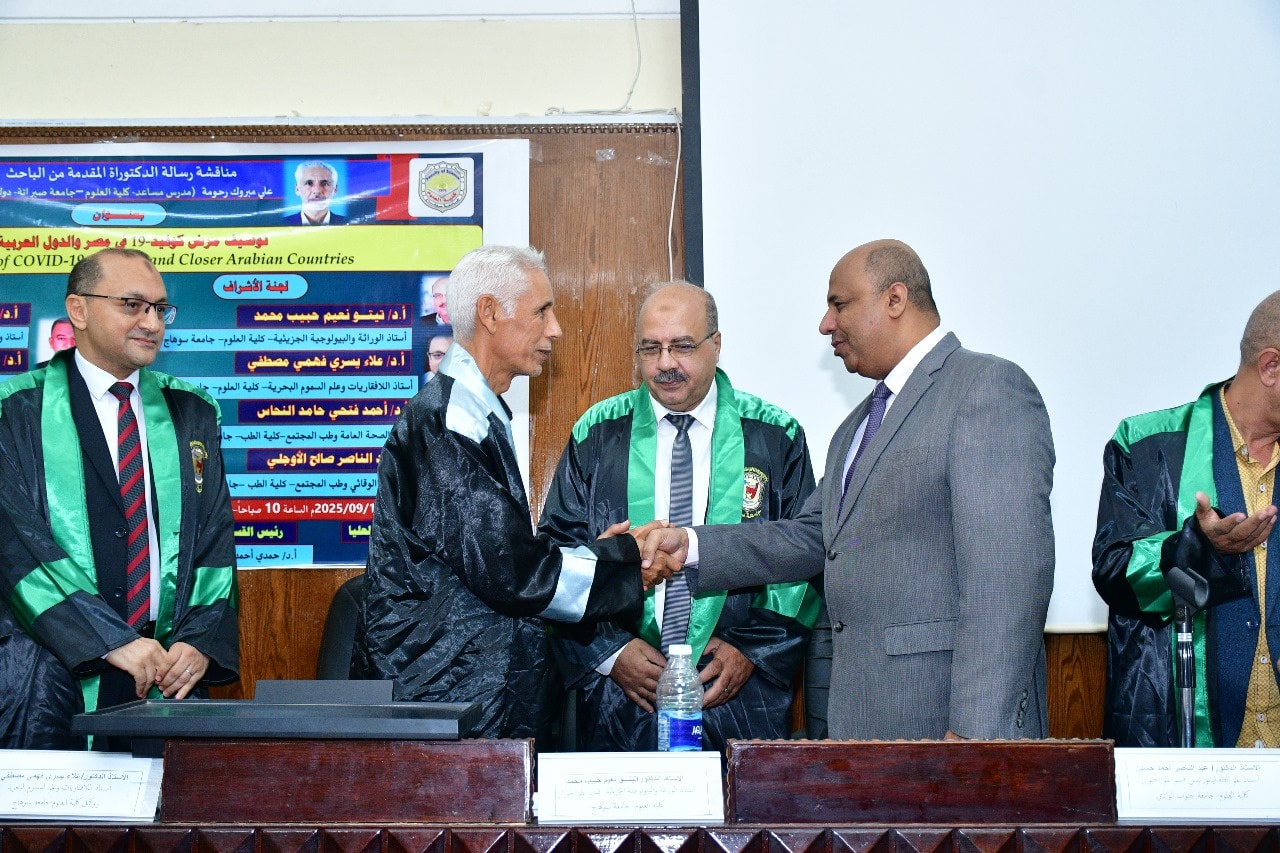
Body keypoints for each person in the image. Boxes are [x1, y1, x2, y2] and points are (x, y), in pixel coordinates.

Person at [641, 239, 1056, 741]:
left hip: (949, 727)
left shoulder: (986, 387)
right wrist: (689, 545)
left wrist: (976, 737)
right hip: (865, 726)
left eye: (839, 304)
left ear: (895, 299)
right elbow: (812, 537)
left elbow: (1008, 580)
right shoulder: (858, 425)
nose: (826, 324)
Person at [351, 245, 678, 743]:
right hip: (445, 701)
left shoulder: (471, 411)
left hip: (468, 690)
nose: (556, 330)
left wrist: (601, 556)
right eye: (542, 311)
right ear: (489, 312)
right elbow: (513, 573)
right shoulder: (451, 421)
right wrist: (626, 563)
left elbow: (498, 555)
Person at [541, 282, 821, 751]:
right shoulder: (597, 432)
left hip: (734, 692)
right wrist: (609, 652)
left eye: (683, 346)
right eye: (650, 348)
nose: (665, 363)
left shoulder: (775, 435)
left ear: (717, 344)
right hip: (623, 693)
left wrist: (752, 649)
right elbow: (558, 558)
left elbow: (805, 555)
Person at [0, 248, 239, 750]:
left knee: (171, 800)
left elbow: (214, 539)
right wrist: (110, 639)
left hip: (165, 671)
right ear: (79, 310)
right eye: (132, 305)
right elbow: (17, 545)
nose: (151, 322)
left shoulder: (190, 411)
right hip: (48, 668)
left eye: (160, 308)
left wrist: (197, 641)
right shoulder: (16, 410)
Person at [1093, 291, 1280, 748]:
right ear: (1271, 367)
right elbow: (1113, 572)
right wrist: (1198, 547)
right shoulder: (1147, 444)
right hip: (1185, 750)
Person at [283, 160, 347, 225]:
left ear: (335, 189)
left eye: (325, 184)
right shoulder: (281, 223)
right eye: (309, 183)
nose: (317, 191)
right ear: (297, 189)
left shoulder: (348, 224)